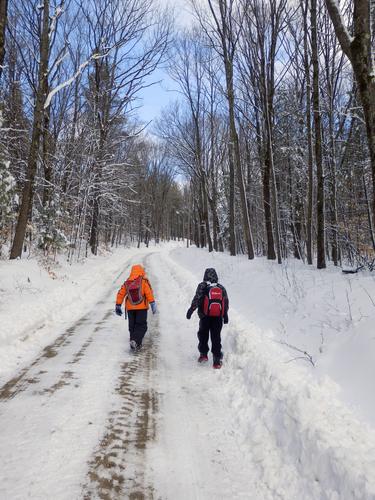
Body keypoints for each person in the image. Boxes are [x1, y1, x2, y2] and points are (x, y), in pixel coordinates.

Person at [186, 268, 229, 369]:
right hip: (218, 317)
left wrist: (191, 310)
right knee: (216, 337)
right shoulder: (221, 287)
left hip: (204, 316)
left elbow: (197, 299)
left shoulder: (202, 286)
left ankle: (203, 354)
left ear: (205, 275)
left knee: (203, 335)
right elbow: (226, 302)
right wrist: (225, 315)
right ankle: (217, 360)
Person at [115, 264, 156, 351]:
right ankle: (136, 341)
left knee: (132, 326)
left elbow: (121, 293)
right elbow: (149, 293)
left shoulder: (127, 282)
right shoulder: (143, 281)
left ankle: (133, 341)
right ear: (141, 271)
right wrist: (152, 303)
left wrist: (118, 304)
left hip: (130, 308)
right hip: (142, 308)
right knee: (141, 325)